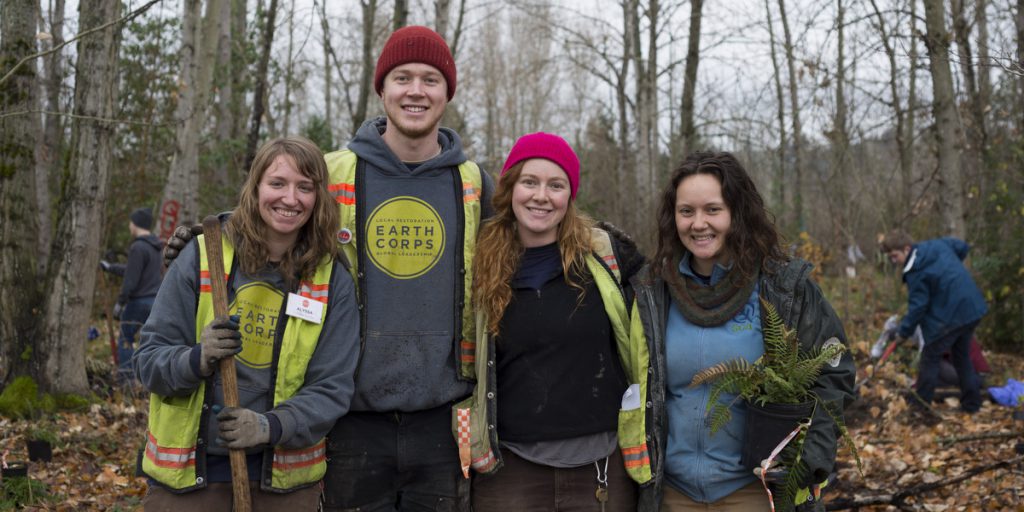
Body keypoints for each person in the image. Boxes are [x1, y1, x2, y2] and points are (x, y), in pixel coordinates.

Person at [163, 25, 493, 511]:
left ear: (448, 93)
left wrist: (599, 241)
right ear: (382, 89)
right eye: (403, 78)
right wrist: (210, 234)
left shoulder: (474, 183)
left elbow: (532, 231)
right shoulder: (335, 169)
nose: (416, 91)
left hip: (443, 421)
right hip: (347, 419)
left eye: (431, 79)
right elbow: (278, 210)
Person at [134, 137, 360, 511]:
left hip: (283, 488)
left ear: (319, 198)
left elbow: (333, 388)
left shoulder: (331, 279)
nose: (290, 198)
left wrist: (269, 426)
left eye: (305, 187)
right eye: (277, 183)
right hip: (190, 481)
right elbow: (148, 361)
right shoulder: (203, 255)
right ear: (255, 187)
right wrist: (197, 359)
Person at [630, 151, 856, 511]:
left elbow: (834, 374)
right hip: (671, 494)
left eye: (713, 210)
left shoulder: (782, 287)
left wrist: (807, 463)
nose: (698, 223)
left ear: (737, 212)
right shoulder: (652, 291)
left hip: (756, 493)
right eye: (686, 211)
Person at [462, 133, 647, 511]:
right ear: (511, 188)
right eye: (530, 182)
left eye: (556, 185)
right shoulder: (479, 263)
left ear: (569, 196)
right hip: (509, 471)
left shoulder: (607, 261)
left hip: (601, 468)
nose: (541, 196)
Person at [880, 229, 987, 414]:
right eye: (890, 257)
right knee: (961, 357)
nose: (894, 261)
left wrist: (903, 333)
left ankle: (920, 408)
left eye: (894, 256)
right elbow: (961, 247)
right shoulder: (938, 245)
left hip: (951, 317)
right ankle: (972, 405)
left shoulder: (916, 271)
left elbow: (918, 307)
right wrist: (950, 273)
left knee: (929, 359)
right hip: (971, 308)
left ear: (906, 249)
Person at [100, 207, 163, 382]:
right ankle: (146, 380)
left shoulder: (138, 247)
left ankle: (126, 382)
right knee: (148, 342)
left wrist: (120, 303)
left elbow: (131, 280)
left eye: (131, 222)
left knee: (126, 339)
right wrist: (110, 267)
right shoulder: (156, 247)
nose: (129, 226)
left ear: (136, 224)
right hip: (153, 302)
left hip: (138, 303)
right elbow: (133, 271)